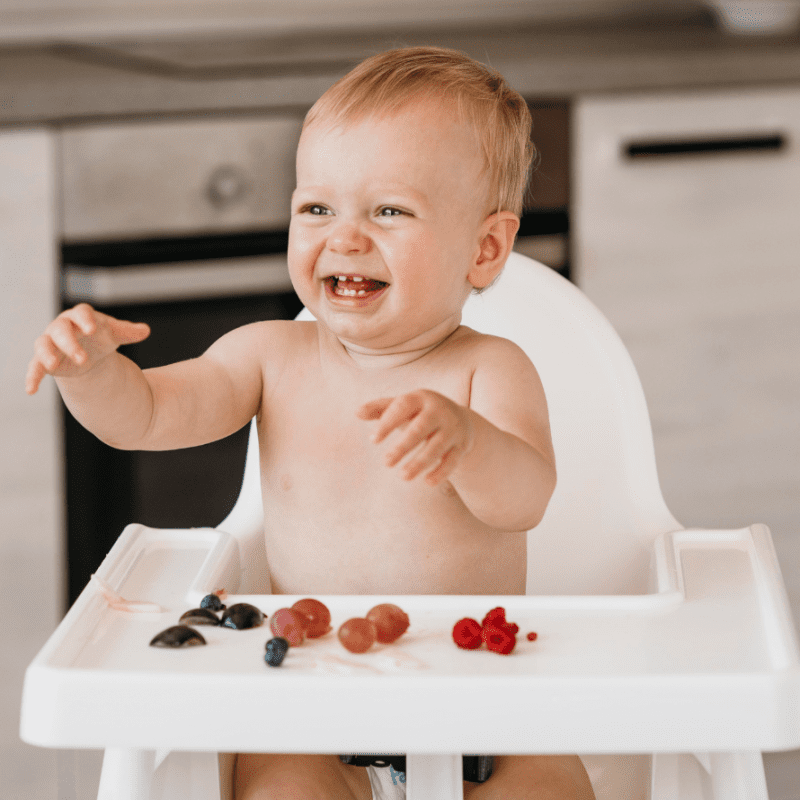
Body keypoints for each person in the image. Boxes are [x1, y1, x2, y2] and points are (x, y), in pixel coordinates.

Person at [26, 46, 595, 800]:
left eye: (389, 211)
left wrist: (468, 442)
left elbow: (524, 499)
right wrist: (92, 374)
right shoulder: (268, 356)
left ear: (485, 249)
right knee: (278, 786)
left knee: (553, 785)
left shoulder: (490, 369)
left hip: (479, 698)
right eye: (317, 209)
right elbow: (150, 415)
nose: (345, 237)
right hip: (311, 700)